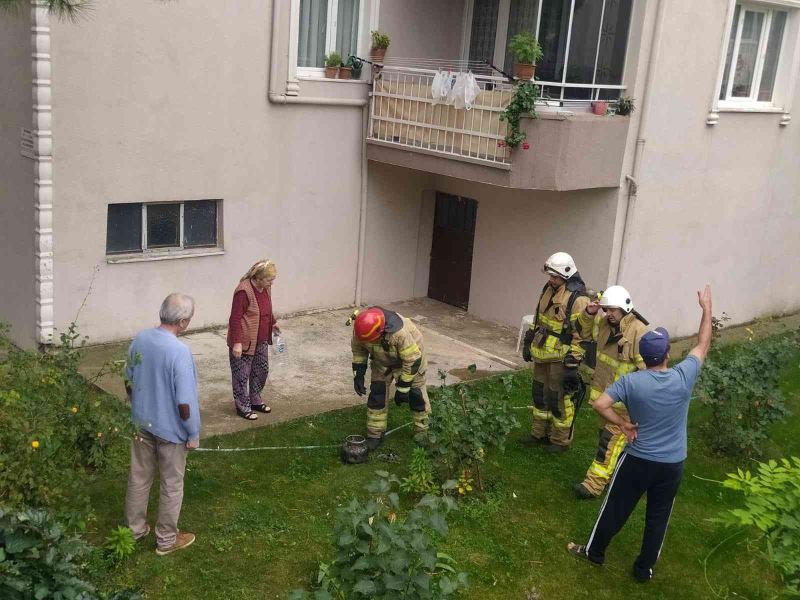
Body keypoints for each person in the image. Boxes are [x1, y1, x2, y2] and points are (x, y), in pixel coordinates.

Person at [567, 285, 713, 582]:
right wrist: (706, 308)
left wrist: (622, 424)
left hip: (638, 460)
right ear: (668, 355)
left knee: (616, 508)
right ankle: (644, 568)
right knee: (658, 518)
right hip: (672, 465)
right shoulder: (683, 377)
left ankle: (594, 552)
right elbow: (703, 343)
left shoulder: (632, 384)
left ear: (643, 357)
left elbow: (600, 403)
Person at [124, 293, 200, 556]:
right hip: (171, 432)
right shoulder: (179, 352)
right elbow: (185, 402)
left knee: (139, 476)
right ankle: (166, 540)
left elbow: (128, 380)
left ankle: (134, 530)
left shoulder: (141, 339)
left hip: (141, 423)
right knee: (171, 483)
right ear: (181, 322)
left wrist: (137, 408)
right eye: (188, 319)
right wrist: (192, 433)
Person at [573, 285, 649, 499]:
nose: (609, 314)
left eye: (612, 310)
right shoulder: (604, 323)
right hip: (605, 400)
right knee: (608, 442)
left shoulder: (638, 331)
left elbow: (648, 372)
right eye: (606, 309)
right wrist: (590, 311)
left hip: (624, 404)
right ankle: (616, 478)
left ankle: (592, 485)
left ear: (625, 307)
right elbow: (582, 331)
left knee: (608, 442)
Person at [521, 252, 590, 453]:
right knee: (540, 394)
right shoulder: (549, 289)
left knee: (558, 398)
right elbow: (538, 318)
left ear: (566, 274)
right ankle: (539, 433)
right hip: (542, 353)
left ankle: (559, 440)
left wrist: (572, 364)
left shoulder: (578, 300)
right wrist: (528, 341)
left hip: (561, 358)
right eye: (550, 276)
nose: (550, 280)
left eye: (554, 277)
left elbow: (582, 336)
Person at [350, 306, 430, 450]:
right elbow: (359, 351)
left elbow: (412, 361)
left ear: (382, 332)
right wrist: (358, 375)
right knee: (377, 395)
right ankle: (375, 434)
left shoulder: (399, 333)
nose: (368, 343)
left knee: (416, 395)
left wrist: (403, 388)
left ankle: (422, 432)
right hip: (382, 361)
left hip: (412, 359)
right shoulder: (361, 330)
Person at [227, 259, 280, 420]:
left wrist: (273, 323)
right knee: (242, 375)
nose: (272, 283)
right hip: (243, 342)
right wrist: (236, 342)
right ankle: (242, 406)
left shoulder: (266, 288)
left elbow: (266, 309)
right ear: (258, 278)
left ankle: (255, 400)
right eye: (269, 279)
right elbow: (234, 319)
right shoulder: (243, 291)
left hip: (261, 338)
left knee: (261, 371)